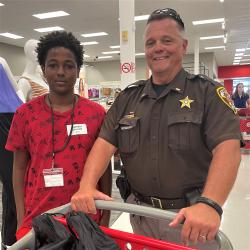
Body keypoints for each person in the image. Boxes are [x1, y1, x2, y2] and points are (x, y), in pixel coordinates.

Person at [71, 8, 242, 249]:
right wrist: (86, 185)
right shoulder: (127, 98)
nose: (158, 47)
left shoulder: (208, 94)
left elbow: (228, 148)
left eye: (167, 40)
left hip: (190, 219)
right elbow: (104, 143)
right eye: (151, 42)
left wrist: (210, 204)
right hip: (139, 215)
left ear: (183, 46)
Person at [5, 31, 111, 240]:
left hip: (86, 219)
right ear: (43, 70)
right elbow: (18, 168)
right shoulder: (25, 114)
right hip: (39, 217)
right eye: (53, 65)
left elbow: (104, 167)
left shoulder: (96, 114)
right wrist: (20, 218)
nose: (61, 72)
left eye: (69, 65)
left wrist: (106, 216)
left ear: (77, 70)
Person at [0, 57, 23, 249]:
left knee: (14, 184)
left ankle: (12, 239)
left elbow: (18, 93)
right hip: (8, 117)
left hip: (8, 117)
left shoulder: (0, 61)